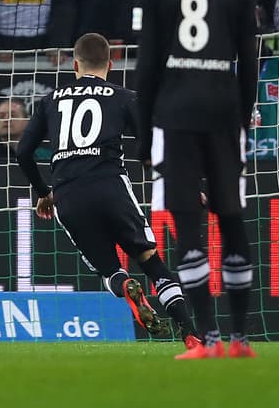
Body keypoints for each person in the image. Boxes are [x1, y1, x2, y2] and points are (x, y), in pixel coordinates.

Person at [133, 0, 260, 359]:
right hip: (224, 111)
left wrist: (144, 136)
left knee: (188, 222)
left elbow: (145, 68)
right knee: (231, 216)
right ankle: (242, 338)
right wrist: (242, 115)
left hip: (175, 113)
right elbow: (250, 61)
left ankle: (205, 339)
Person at [16, 31, 198, 353]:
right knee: (151, 262)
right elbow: (151, 148)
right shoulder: (125, 97)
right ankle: (190, 336)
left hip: (68, 196)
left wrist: (44, 192)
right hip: (111, 186)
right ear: (111, 64)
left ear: (75, 65)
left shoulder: (49, 100)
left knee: (110, 271)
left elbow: (23, 152)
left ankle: (124, 284)